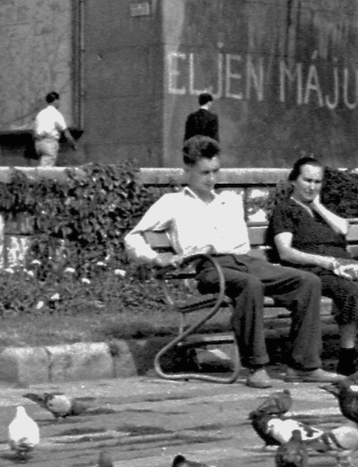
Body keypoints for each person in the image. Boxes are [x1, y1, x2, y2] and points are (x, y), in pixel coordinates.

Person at [123, 136, 334, 389]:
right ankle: (256, 366)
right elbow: (132, 237)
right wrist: (157, 258)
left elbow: (242, 246)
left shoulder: (229, 200)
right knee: (250, 285)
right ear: (187, 170)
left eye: (215, 171)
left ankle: (304, 366)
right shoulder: (173, 203)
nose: (211, 178)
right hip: (209, 266)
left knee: (308, 281)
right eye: (204, 173)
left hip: (244, 261)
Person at [268, 157, 358, 376]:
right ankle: (347, 355)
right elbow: (286, 252)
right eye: (307, 180)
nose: (312, 186)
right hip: (311, 268)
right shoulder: (285, 210)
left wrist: (317, 205)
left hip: (342, 264)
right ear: (293, 180)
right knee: (351, 291)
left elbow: (343, 229)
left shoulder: (322, 209)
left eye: (317, 181)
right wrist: (323, 261)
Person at [32, 91, 77, 167]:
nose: (59, 103)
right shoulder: (55, 114)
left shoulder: (41, 113)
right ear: (55, 100)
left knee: (43, 164)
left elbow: (34, 130)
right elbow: (65, 132)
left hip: (38, 143)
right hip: (49, 142)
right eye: (59, 101)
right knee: (46, 169)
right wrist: (73, 144)